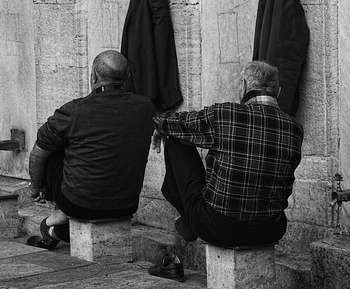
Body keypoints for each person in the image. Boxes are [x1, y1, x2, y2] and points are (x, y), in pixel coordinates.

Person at [152, 60, 303, 255]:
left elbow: (177, 122)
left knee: (176, 136)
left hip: (220, 228)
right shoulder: (295, 128)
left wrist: (159, 126)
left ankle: (189, 220)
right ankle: (191, 220)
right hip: (271, 229)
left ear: (243, 86)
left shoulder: (226, 114)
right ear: (278, 91)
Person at [26, 50, 156, 249]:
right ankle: (60, 225)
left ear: (93, 76)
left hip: (78, 204)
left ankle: (58, 214)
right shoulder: (146, 107)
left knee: (49, 152)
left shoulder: (74, 111)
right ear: (127, 76)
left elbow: (37, 154)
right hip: (126, 204)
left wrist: (35, 188)